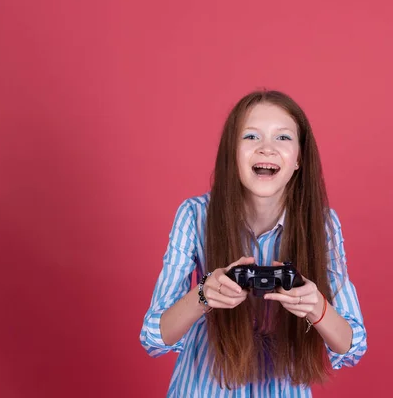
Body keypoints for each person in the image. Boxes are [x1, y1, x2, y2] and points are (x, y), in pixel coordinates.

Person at [140, 90, 367, 397]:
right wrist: (205, 293)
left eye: (283, 138)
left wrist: (316, 307)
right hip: (204, 387)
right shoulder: (194, 215)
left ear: (299, 158)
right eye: (251, 136)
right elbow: (155, 336)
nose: (266, 149)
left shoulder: (322, 224)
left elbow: (353, 346)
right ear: (232, 153)